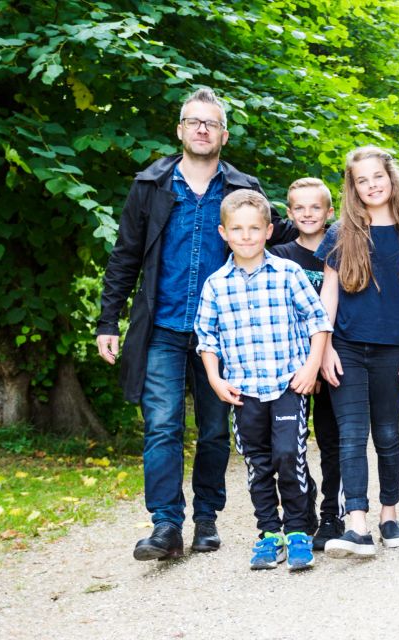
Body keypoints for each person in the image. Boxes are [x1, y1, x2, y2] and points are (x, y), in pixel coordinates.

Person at [96, 87, 298, 560]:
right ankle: (166, 525)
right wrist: (109, 321)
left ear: (223, 135)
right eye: (194, 122)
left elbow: (279, 233)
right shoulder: (150, 186)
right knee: (162, 427)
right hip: (162, 328)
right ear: (180, 130)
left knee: (212, 431)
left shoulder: (242, 189)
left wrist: (334, 231)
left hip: (224, 338)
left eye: (211, 123)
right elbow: (125, 255)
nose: (202, 129)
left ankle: (206, 518)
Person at [195, 189, 332, 570]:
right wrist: (215, 380)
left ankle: (300, 531)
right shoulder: (216, 284)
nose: (246, 236)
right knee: (259, 463)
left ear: (269, 231)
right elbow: (207, 339)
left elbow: (318, 321)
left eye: (254, 228)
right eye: (237, 229)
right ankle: (270, 534)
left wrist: (310, 367)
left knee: (290, 456)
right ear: (224, 233)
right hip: (244, 391)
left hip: (288, 384)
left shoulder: (288, 273)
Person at [317, 146, 399, 559]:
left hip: (391, 349)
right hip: (347, 348)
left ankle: (389, 514)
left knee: (387, 435)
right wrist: (326, 346)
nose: (371, 185)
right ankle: (357, 525)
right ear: (353, 187)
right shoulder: (341, 233)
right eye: (362, 180)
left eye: (377, 177)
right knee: (351, 435)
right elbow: (328, 294)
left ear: (392, 180)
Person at [269, 177, 344, 551]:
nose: (308, 214)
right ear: (289, 213)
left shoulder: (343, 251)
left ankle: (334, 511)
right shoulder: (281, 256)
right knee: (292, 444)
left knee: (333, 440)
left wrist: (323, 359)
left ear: (330, 212)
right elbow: (283, 316)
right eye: (300, 207)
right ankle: (304, 509)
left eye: (316, 207)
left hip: (334, 360)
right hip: (295, 365)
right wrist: (305, 365)